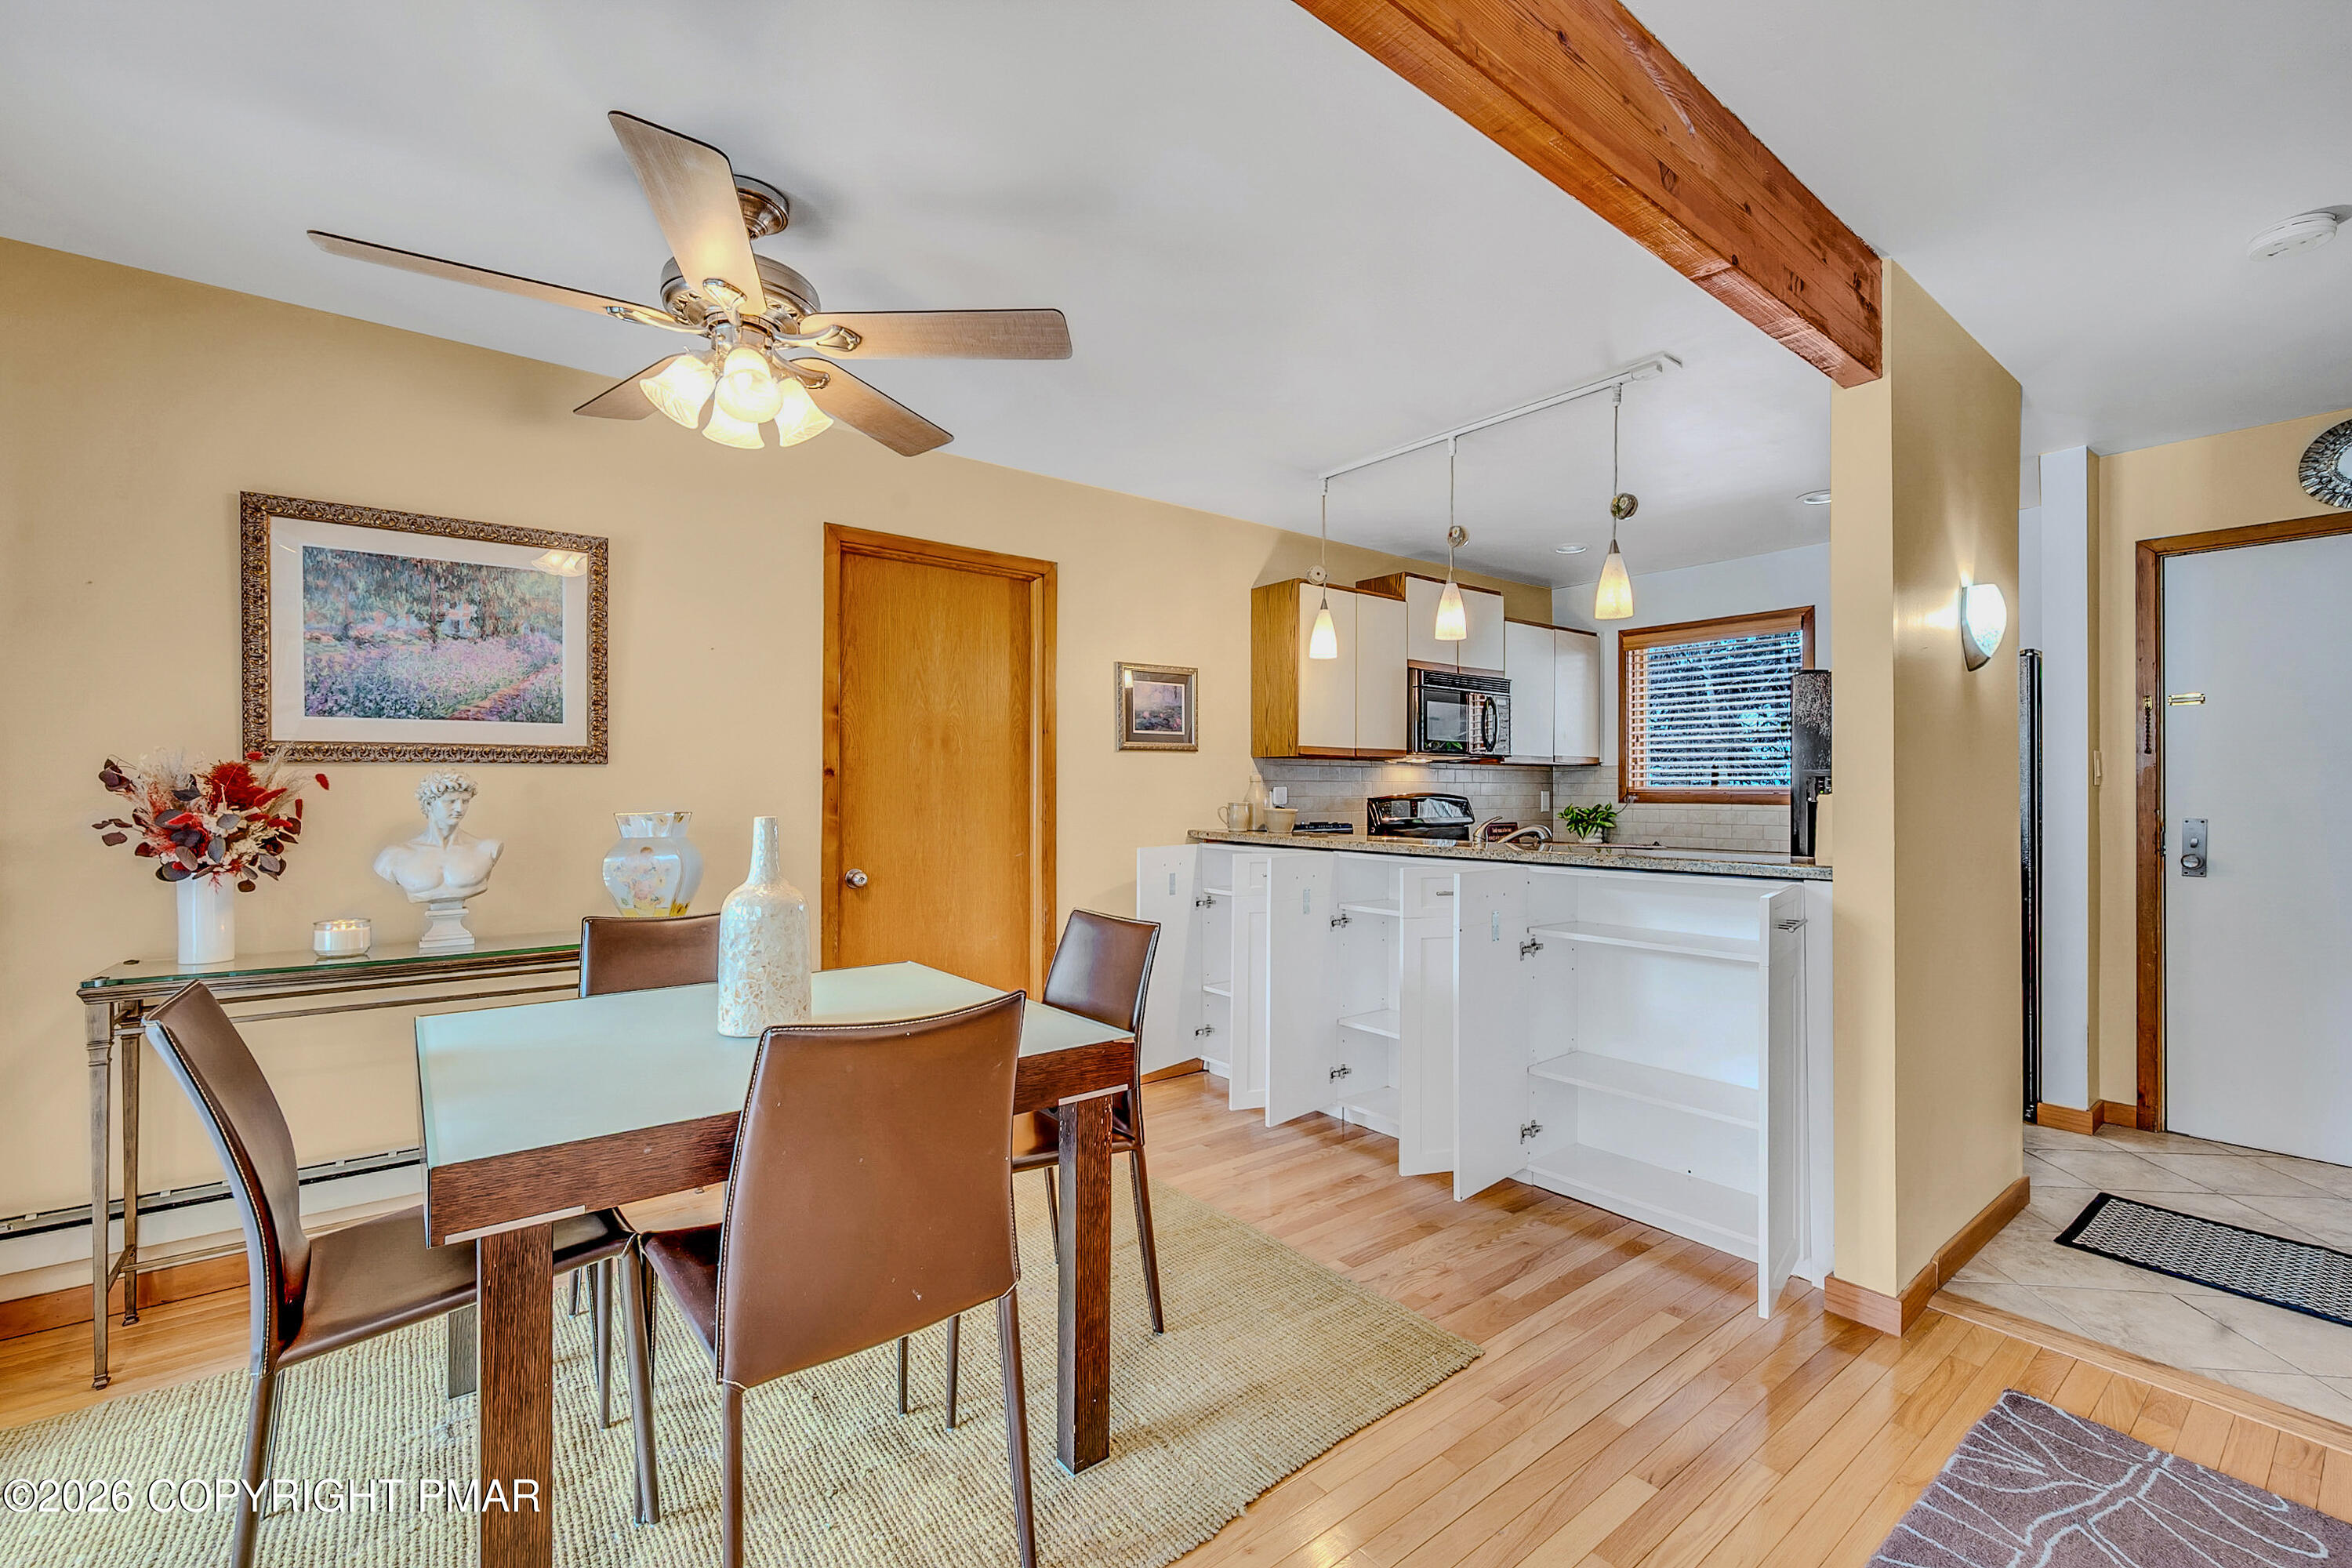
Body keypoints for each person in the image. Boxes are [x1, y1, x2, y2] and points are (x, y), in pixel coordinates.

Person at [373, 771, 503, 905]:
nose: (459, 809)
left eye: (465, 801)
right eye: (451, 801)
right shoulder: (394, 855)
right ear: (429, 804)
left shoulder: (486, 849)